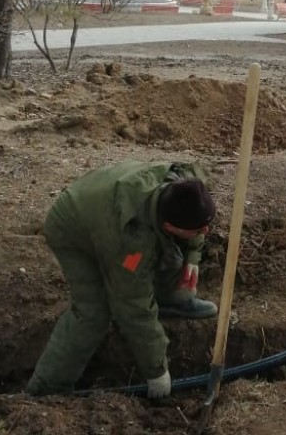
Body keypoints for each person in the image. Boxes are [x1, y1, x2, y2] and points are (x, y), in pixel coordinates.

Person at [26, 160, 219, 399]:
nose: (205, 234)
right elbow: (132, 305)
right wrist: (156, 370)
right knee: (93, 312)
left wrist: (192, 256)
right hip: (72, 228)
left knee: (172, 252)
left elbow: (195, 219)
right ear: (170, 225)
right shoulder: (132, 241)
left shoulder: (188, 184)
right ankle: (47, 388)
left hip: (105, 205)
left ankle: (169, 299)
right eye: (198, 232)